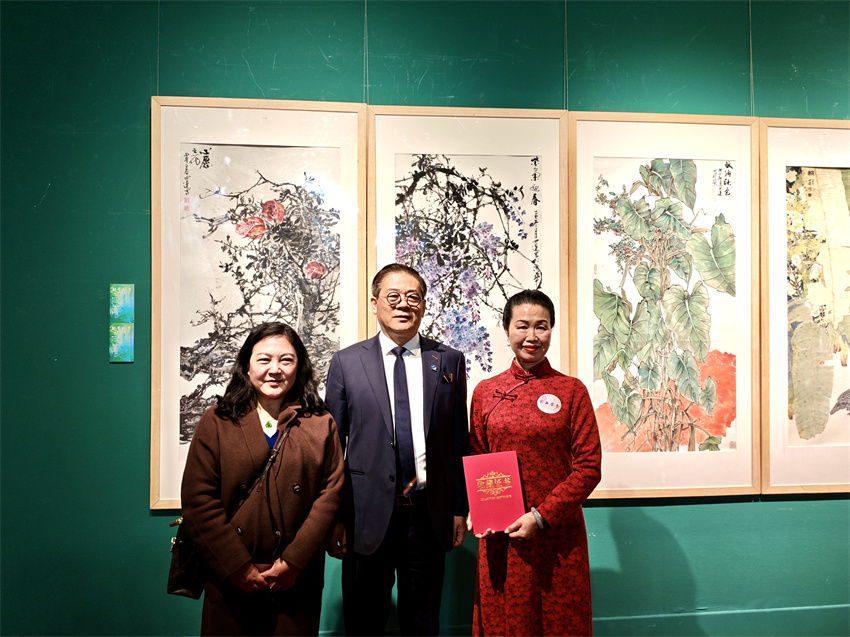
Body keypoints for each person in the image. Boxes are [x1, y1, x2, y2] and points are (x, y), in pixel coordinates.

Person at [325, 263, 469, 636]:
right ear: (375, 303)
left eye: (413, 297)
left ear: (424, 305)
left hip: (427, 513)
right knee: (364, 621)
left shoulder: (448, 360)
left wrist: (459, 507)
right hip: (365, 514)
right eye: (393, 296)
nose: (403, 304)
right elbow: (332, 448)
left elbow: (458, 439)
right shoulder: (346, 363)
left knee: (423, 621)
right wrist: (335, 515)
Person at [181, 322, 344, 636]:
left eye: (286, 360)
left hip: (296, 581)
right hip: (231, 579)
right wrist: (238, 566)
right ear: (247, 366)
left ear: (299, 367)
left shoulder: (320, 422)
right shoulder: (217, 421)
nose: (275, 369)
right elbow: (198, 500)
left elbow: (331, 494)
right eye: (264, 359)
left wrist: (293, 562)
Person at [468, 289, 601, 636]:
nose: (532, 336)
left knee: (560, 623)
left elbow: (589, 466)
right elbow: (478, 458)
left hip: (558, 535)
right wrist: (478, 509)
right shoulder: (485, 392)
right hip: (502, 535)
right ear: (507, 330)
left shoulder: (571, 391)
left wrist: (541, 517)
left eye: (541, 326)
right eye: (522, 326)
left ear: (551, 330)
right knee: (506, 622)